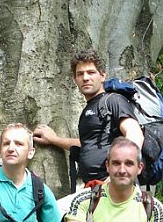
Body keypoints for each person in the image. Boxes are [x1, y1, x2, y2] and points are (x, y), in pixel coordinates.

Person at [33, 48, 144, 187]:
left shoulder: (113, 101)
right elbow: (88, 143)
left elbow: (135, 134)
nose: (85, 78)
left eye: (91, 72)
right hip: (94, 186)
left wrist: (119, 173)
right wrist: (54, 140)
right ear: (75, 79)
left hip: (114, 186)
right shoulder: (89, 109)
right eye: (80, 74)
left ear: (103, 76)